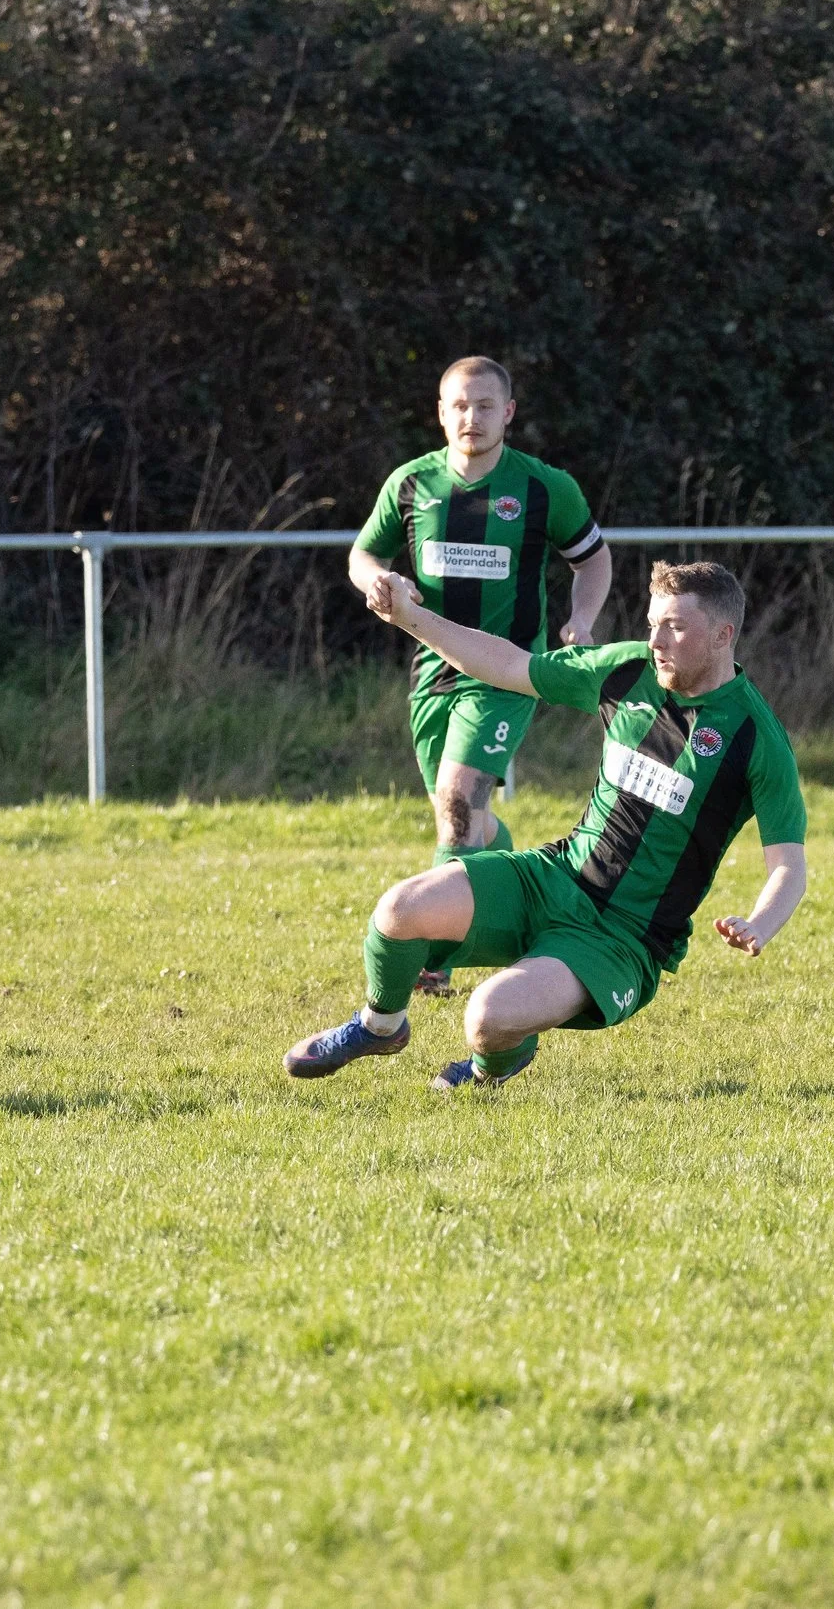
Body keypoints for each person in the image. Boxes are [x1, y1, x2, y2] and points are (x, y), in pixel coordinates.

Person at [285, 560, 807, 1091]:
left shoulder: (755, 737)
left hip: (622, 939)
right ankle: (380, 1027)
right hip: (555, 876)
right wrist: (409, 618)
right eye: (652, 624)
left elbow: (789, 867)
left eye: (673, 626)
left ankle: (495, 1064)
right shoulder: (627, 673)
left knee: (486, 1019)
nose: (655, 641)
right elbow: (508, 665)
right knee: (399, 909)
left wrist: (760, 923)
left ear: (723, 634)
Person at [350, 357, 611, 992]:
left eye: (486, 406)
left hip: (508, 672)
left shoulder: (545, 488)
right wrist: (377, 582)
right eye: (460, 406)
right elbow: (363, 555)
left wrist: (580, 620)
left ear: (509, 412)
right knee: (467, 818)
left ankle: (435, 955)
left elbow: (594, 559)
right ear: (441, 413)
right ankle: (513, 876)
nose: (473, 417)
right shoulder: (411, 484)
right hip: (432, 670)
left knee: (458, 800)